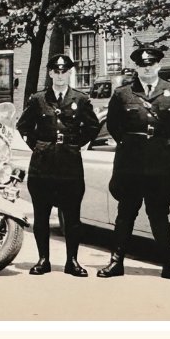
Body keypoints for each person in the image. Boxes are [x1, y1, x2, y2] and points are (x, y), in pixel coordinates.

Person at [98, 45, 170, 281]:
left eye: (151, 64)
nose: (147, 68)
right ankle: (116, 263)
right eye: (142, 65)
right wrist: (131, 145)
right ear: (137, 68)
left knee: (159, 215)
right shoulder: (123, 94)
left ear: (158, 65)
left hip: (161, 166)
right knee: (125, 214)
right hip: (131, 165)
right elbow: (114, 126)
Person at [16, 53, 101, 276]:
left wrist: (75, 144)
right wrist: (38, 145)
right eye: (57, 71)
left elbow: (93, 127)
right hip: (42, 166)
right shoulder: (38, 99)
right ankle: (43, 259)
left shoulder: (81, 99)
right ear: (51, 73)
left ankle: (72, 261)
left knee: (72, 217)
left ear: (69, 73)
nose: (60, 76)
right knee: (41, 215)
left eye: (64, 72)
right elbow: (23, 126)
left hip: (69, 166)